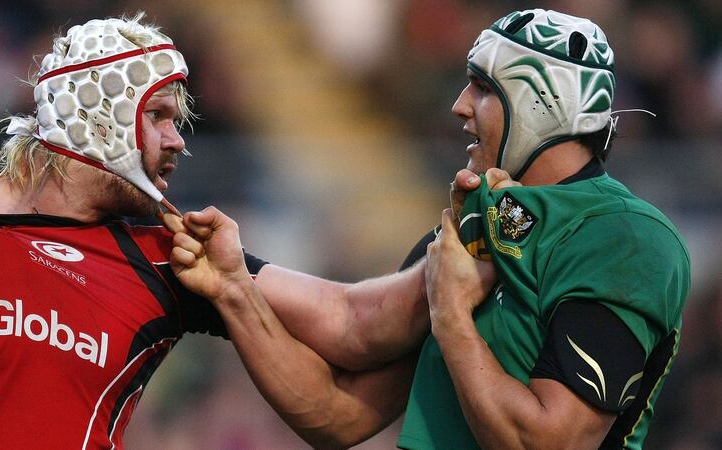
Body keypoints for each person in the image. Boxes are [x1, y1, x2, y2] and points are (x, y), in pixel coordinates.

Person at [169, 8, 691, 450]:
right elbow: (345, 378)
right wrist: (233, 284)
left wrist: (452, 315)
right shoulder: (473, 223)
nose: (459, 105)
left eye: (483, 87)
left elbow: (547, 441)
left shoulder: (625, 238)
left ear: (543, 103)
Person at [0, 13, 251, 449]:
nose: (178, 141)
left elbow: (346, 322)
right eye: (157, 115)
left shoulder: (175, 254)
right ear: (99, 115)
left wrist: (238, 291)